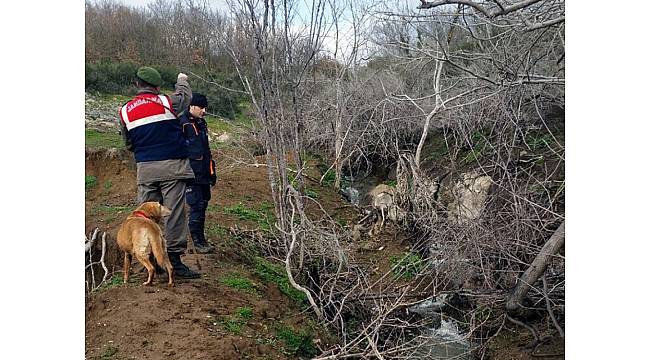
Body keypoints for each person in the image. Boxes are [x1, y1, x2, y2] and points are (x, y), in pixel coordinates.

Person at [118, 66, 200, 279]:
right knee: (172, 213)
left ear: (136, 85)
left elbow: (128, 143)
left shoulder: (124, 111)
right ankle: (174, 261)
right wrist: (182, 79)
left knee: (145, 216)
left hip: (145, 169)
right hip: (173, 166)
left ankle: (151, 259)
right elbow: (185, 96)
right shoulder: (166, 102)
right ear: (157, 87)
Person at [180, 93, 216, 254]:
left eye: (205, 107)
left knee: (204, 204)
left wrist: (211, 172)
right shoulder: (182, 123)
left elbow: (206, 151)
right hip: (190, 174)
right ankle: (198, 242)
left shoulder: (201, 123)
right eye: (201, 107)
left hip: (204, 173)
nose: (204, 110)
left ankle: (201, 239)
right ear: (192, 106)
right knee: (197, 206)